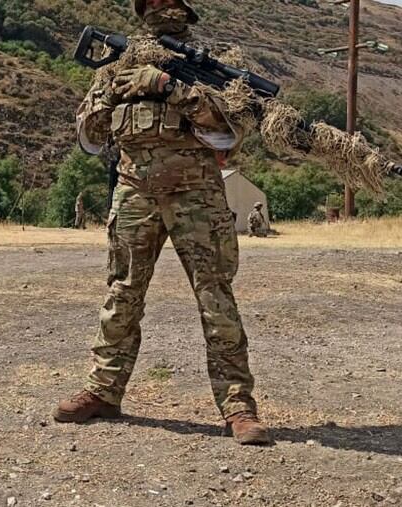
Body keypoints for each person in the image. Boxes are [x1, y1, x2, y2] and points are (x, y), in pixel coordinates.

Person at [54, 0, 271, 445]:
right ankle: (103, 391)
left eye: (170, 1)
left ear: (186, 10)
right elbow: (89, 138)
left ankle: (238, 406)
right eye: (152, 1)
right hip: (134, 190)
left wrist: (172, 88)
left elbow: (229, 132)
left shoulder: (213, 65)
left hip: (197, 194)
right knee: (122, 293)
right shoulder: (117, 63)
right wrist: (111, 93)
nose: (161, 7)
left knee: (215, 297)